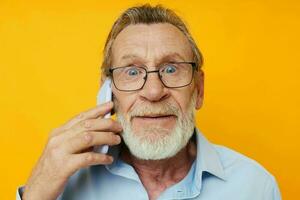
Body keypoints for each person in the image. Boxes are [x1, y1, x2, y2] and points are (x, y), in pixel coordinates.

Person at [17, 4, 281, 200]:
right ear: (108, 92)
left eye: (171, 69)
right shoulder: (63, 184)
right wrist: (37, 191)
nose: (154, 92)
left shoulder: (255, 186)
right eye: (132, 72)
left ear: (198, 89)